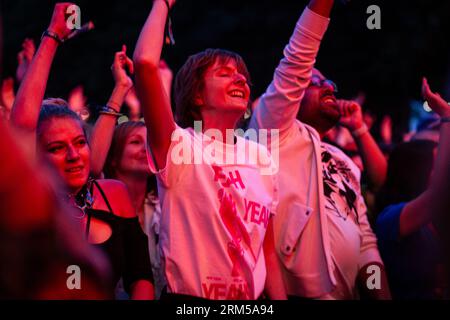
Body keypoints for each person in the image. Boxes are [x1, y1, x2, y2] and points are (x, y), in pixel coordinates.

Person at [133, 0, 284, 300]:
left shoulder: (261, 157)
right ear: (197, 95)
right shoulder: (180, 147)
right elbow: (145, 65)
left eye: (242, 75)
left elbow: (267, 256)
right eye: (225, 73)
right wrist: (162, 4)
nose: (240, 78)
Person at [10, 3, 154, 300]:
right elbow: (22, 126)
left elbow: (140, 277)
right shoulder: (29, 206)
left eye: (79, 143)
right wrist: (53, 36)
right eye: (56, 148)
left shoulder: (113, 195)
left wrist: (121, 88)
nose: (75, 156)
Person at [249, 0, 391, 299]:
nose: (328, 86)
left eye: (328, 82)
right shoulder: (272, 134)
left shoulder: (342, 160)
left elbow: (365, 242)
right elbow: (296, 63)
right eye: (312, 82)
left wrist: (380, 294)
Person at [376, 78, 450, 299]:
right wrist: (446, 116)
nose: (442, 170)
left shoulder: (435, 221)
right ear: (413, 170)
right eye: (435, 164)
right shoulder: (390, 217)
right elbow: (438, 193)